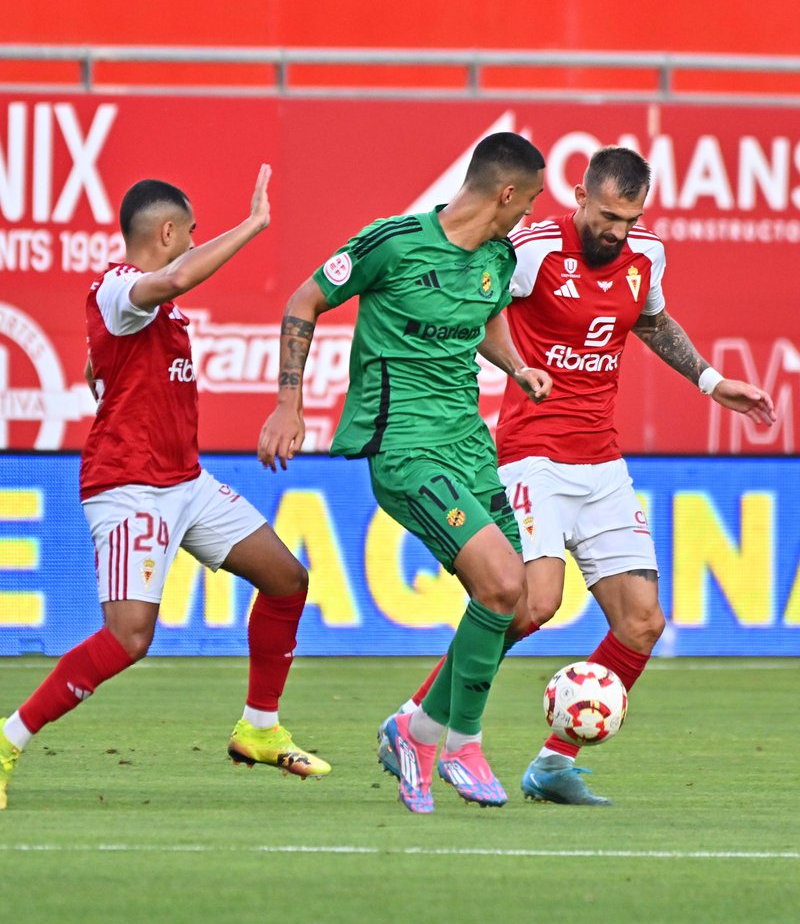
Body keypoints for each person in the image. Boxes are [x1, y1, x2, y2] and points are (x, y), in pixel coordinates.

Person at [378, 145, 776, 806]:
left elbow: (650, 320)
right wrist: (510, 368)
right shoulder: (533, 248)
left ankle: (553, 763)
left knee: (643, 623)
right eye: (609, 216)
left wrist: (710, 380)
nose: (617, 231)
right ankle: (416, 723)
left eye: (631, 218)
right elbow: (475, 308)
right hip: (531, 455)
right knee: (534, 604)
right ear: (581, 198)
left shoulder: (645, 255)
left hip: (602, 462)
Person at [0, 166, 331, 810]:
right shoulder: (119, 287)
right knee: (128, 637)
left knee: (287, 579)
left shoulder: (148, 310)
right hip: (131, 489)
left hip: (185, 480)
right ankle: (8, 739)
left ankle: (258, 729)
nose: (194, 244)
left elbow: (105, 362)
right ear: (169, 231)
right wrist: (253, 225)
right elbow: (173, 278)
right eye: (192, 234)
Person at [258, 133, 552, 813]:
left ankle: (415, 730)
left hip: (468, 448)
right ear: (506, 193)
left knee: (532, 602)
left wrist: (516, 366)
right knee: (502, 582)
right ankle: (461, 742)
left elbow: (487, 317)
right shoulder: (391, 242)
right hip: (405, 450)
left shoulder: (498, 258)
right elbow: (304, 301)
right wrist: (287, 404)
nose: (531, 213)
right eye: (530, 199)